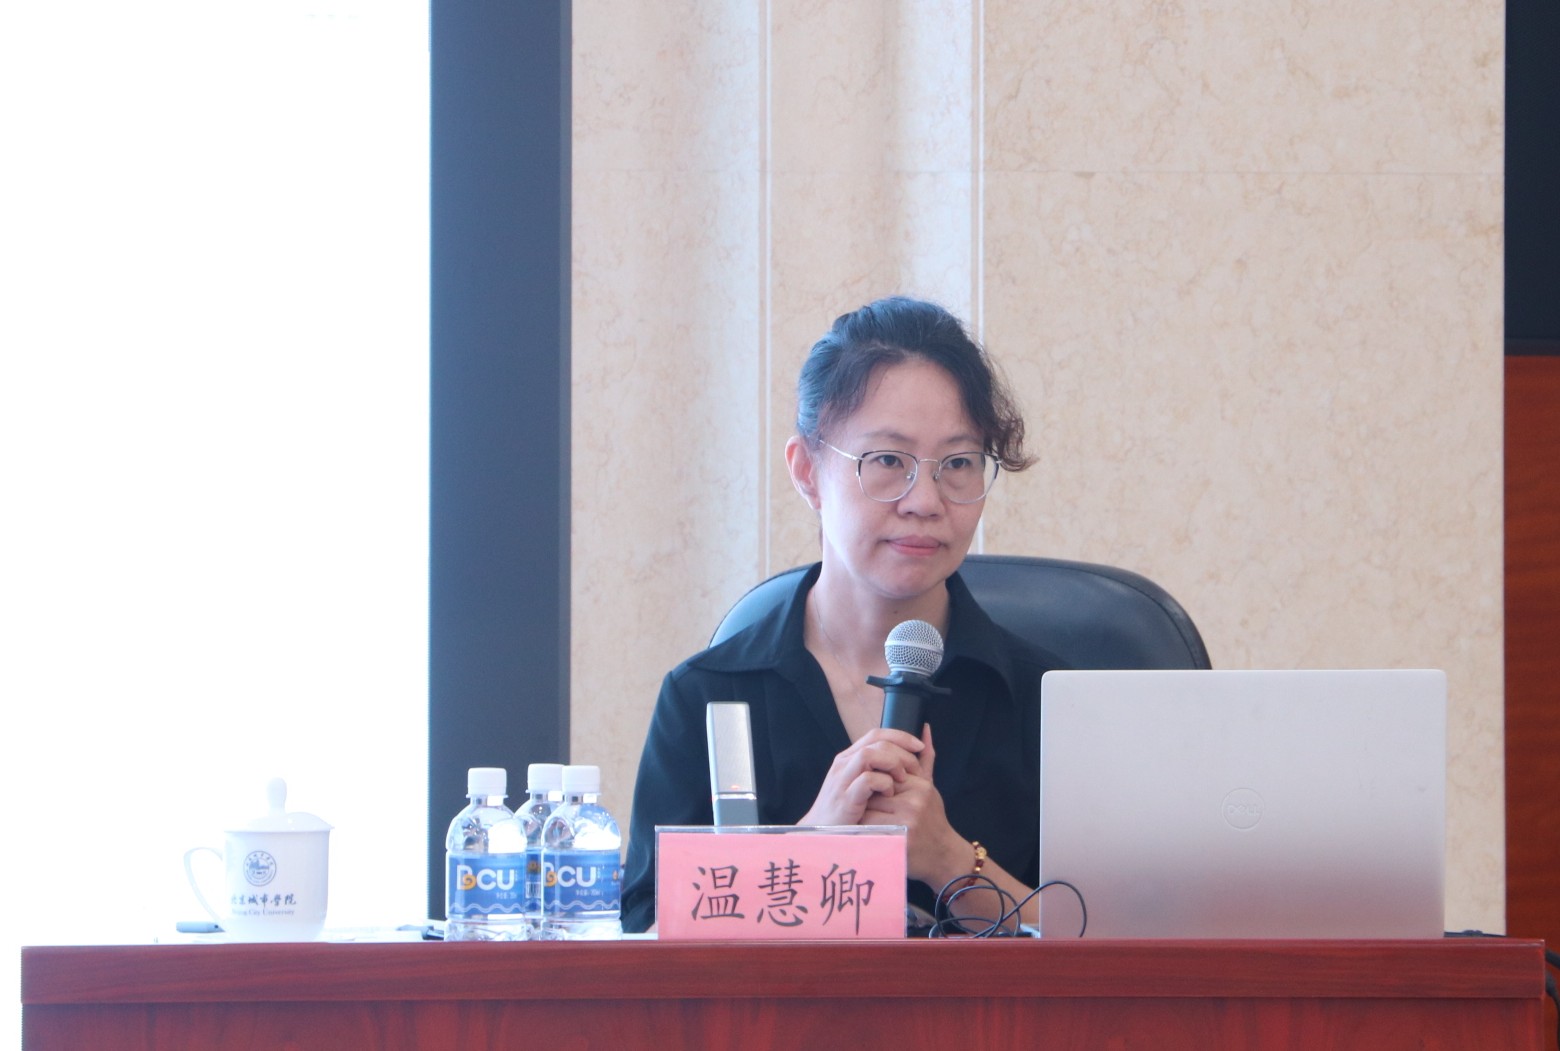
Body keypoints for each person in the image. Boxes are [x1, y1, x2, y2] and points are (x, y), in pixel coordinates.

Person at [620, 295, 1066, 934]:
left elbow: (1117, 942)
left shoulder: (1051, 702)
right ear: (807, 472)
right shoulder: (707, 695)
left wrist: (949, 861)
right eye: (887, 461)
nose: (925, 500)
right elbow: (643, 939)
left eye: (958, 464)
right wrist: (811, 844)